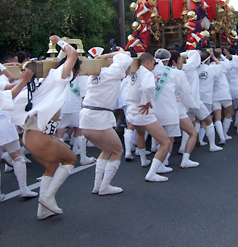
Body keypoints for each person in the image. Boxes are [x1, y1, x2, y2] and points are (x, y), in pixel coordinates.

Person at [11, 35, 80, 219]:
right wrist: (59, 41)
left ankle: (43, 211)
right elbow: (72, 54)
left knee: (52, 167)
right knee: (71, 159)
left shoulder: (50, 78)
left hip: (29, 136)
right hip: (39, 135)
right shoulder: (60, 77)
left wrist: (58, 48)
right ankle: (48, 198)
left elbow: (60, 60)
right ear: (73, 70)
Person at [79, 52, 133, 195]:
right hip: (98, 118)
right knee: (118, 150)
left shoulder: (95, 75)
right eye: (127, 68)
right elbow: (126, 54)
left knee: (106, 150)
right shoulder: (113, 72)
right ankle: (104, 187)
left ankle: (97, 186)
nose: (127, 72)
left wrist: (102, 58)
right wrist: (106, 56)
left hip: (86, 117)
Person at [0, 61, 34, 235]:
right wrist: (24, 82)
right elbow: (5, 99)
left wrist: (21, 81)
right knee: (17, 155)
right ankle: (23, 188)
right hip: (0, 122)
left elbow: (7, 86)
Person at [126, 52, 171, 182]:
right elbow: (148, 86)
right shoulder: (146, 73)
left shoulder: (134, 73)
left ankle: (144, 160)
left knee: (140, 134)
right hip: (144, 112)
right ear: (148, 62)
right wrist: (146, 102)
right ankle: (152, 172)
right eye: (153, 63)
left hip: (132, 111)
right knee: (165, 142)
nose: (153, 66)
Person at [168, 50, 199, 168]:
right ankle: (185, 159)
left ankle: (163, 161)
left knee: (168, 137)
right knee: (193, 133)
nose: (181, 62)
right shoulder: (179, 73)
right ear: (175, 61)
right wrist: (191, 103)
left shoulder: (160, 72)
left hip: (165, 106)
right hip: (178, 106)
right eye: (179, 60)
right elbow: (186, 91)